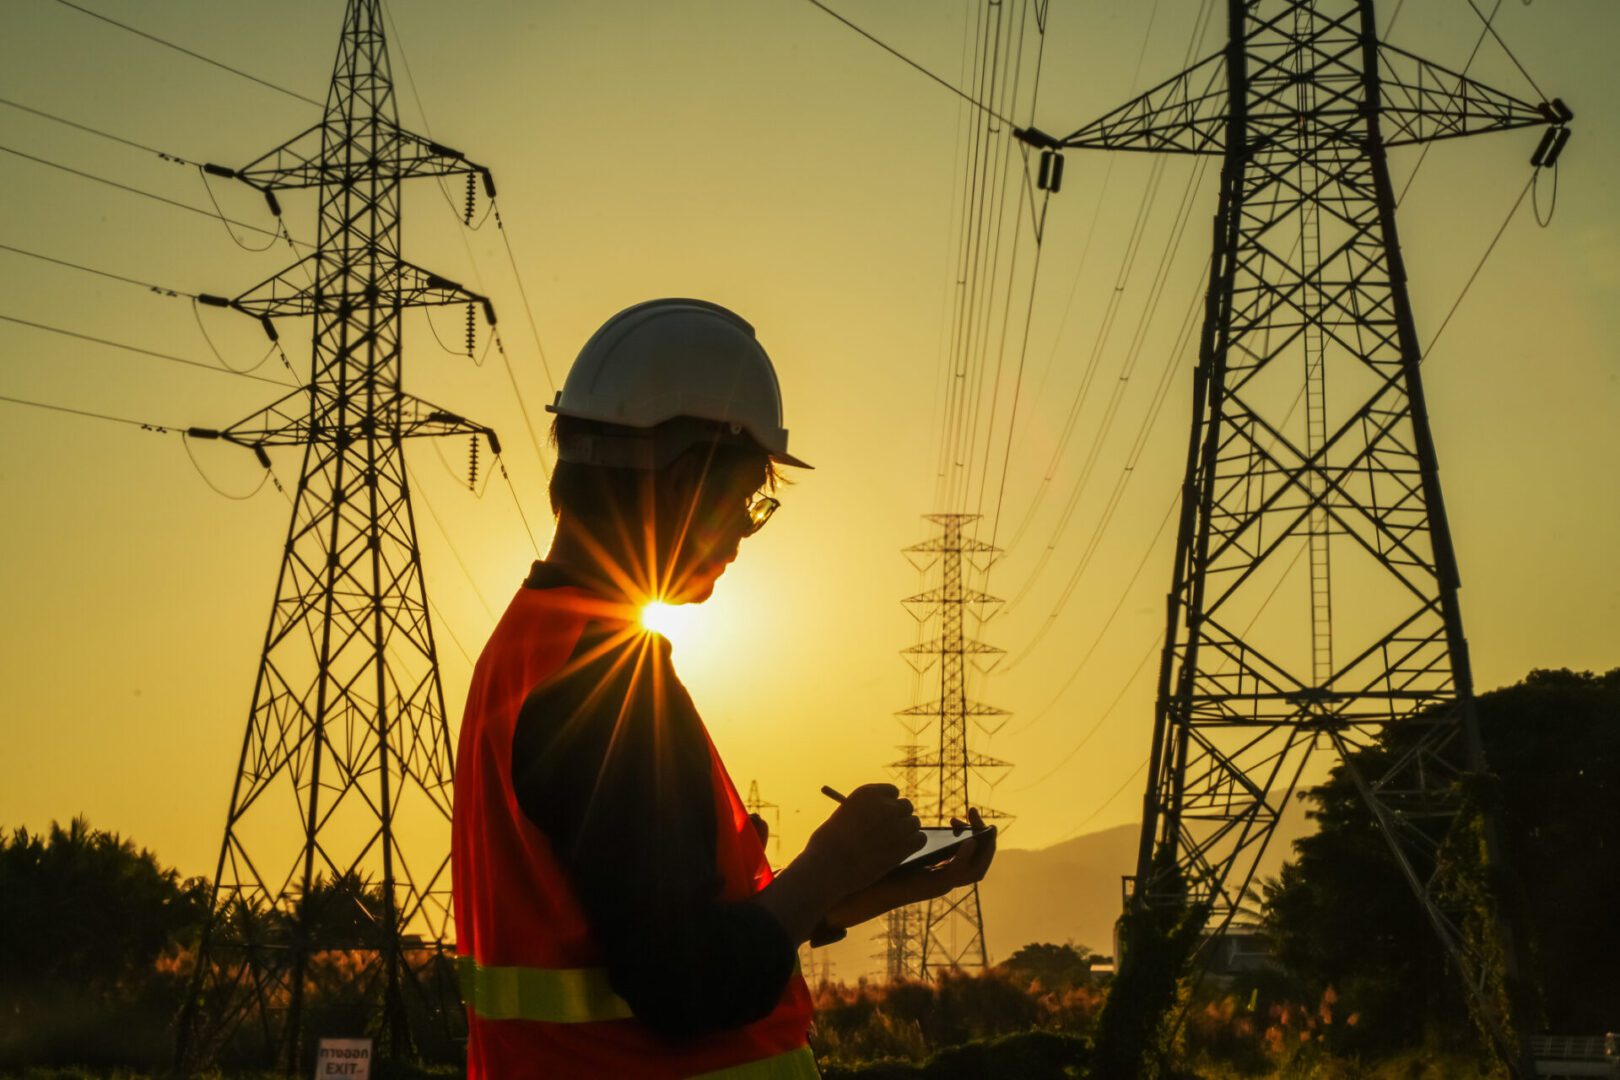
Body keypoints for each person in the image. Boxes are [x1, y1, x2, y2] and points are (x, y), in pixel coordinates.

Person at [451, 299, 996, 1078]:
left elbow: (633, 939)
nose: (745, 531)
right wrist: (827, 866)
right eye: (746, 500)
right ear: (683, 483)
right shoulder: (607, 683)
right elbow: (686, 986)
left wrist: (842, 893)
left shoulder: (526, 650)